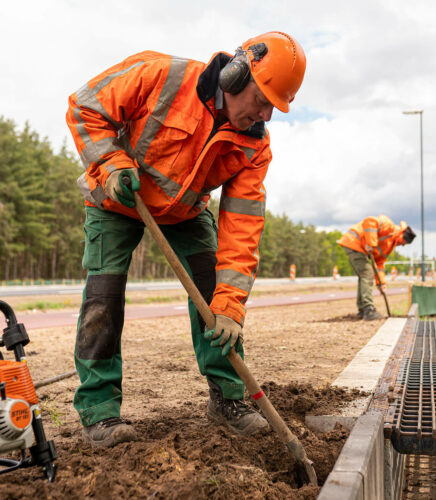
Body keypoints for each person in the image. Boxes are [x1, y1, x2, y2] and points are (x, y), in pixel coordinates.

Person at [65, 32, 306, 447]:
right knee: (103, 298)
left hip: (186, 211)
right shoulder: (162, 76)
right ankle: (99, 412)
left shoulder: (255, 146)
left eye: (275, 106)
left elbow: (242, 224)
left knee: (214, 293)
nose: (265, 112)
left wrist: (230, 306)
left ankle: (229, 399)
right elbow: (85, 105)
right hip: (118, 196)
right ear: (235, 74)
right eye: (262, 97)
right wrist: (110, 162)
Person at [337, 215, 416, 320]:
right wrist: (371, 243)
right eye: (403, 244)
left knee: (364, 275)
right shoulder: (389, 226)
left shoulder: (389, 246)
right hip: (353, 241)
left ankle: (362, 309)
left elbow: (379, 264)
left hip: (357, 247)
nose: (401, 245)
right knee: (367, 273)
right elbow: (370, 221)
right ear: (403, 237)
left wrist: (381, 283)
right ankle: (368, 309)